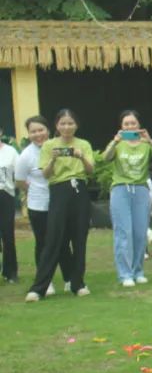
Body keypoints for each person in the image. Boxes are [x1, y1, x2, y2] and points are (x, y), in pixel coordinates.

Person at [26, 109, 94, 302]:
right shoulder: (49, 145)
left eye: (70, 123)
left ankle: (77, 283)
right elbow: (46, 174)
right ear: (56, 126)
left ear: (76, 125)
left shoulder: (84, 144)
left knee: (79, 238)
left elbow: (90, 171)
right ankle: (39, 287)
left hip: (79, 190)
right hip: (58, 191)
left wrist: (80, 156)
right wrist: (54, 158)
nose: (66, 127)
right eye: (62, 124)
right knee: (53, 238)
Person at [104, 109, 152, 287]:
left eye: (133, 123)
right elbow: (106, 157)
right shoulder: (119, 143)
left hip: (141, 189)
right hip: (120, 189)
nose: (130, 126)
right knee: (124, 232)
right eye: (126, 124)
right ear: (121, 127)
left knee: (140, 232)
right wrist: (115, 141)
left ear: (139, 125)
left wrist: (149, 140)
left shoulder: (145, 144)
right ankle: (125, 274)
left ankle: (138, 270)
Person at [15, 116, 71, 295]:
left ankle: (70, 279)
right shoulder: (26, 155)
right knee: (43, 243)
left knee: (63, 241)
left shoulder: (59, 146)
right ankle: (45, 282)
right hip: (38, 206)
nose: (37, 134)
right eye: (33, 131)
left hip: (60, 203)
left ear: (48, 130)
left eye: (41, 130)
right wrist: (33, 190)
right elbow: (20, 181)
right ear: (29, 134)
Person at [0, 131, 17, 282]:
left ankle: (10, 272)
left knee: (7, 234)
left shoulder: (10, 151)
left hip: (5, 194)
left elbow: (19, 173)